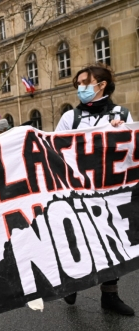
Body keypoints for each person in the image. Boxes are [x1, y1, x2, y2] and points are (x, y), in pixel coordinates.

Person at [55, 63, 134, 316]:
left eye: (84, 83)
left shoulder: (122, 114)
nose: (80, 88)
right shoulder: (70, 118)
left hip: (112, 192)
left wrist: (121, 134)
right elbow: (55, 152)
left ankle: (109, 295)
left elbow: (132, 152)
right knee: (78, 237)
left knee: (112, 240)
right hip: (78, 191)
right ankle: (73, 282)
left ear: (101, 85)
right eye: (78, 84)